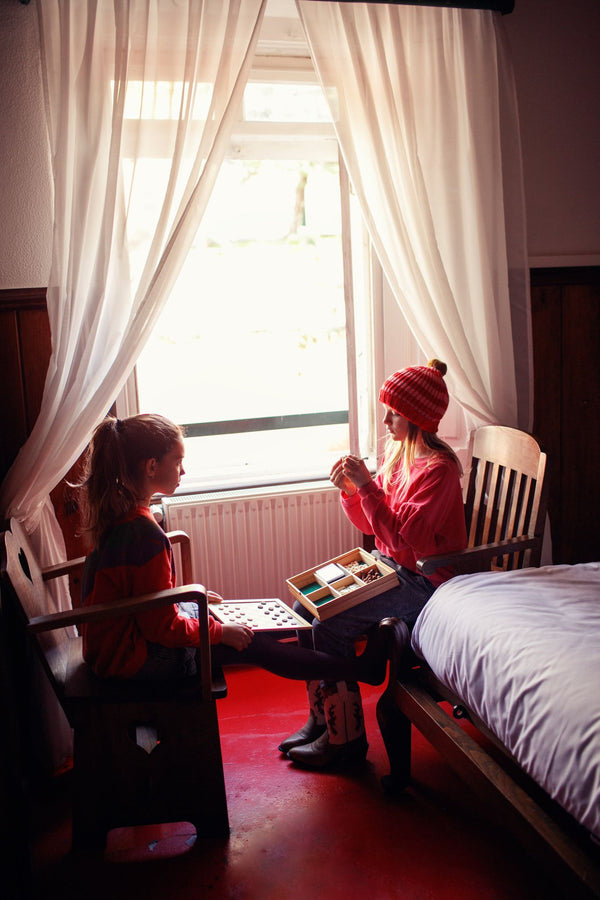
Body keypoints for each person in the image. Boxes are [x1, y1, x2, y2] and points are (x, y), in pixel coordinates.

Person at [77, 413, 391, 687]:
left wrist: (187, 598)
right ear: (151, 467)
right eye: (177, 461)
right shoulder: (143, 534)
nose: (183, 471)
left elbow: (142, 599)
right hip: (133, 660)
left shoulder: (122, 517)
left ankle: (345, 682)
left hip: (114, 649)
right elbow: (162, 628)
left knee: (252, 630)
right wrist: (218, 632)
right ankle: (360, 670)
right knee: (251, 644)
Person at [282, 359, 467, 769]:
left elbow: (409, 542)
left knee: (329, 625)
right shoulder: (400, 454)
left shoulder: (439, 470)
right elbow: (375, 524)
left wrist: (368, 488)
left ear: (417, 417)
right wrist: (353, 493)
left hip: (424, 580)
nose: (385, 420)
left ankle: (345, 739)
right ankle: (322, 717)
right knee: (303, 609)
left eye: (394, 413)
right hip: (391, 566)